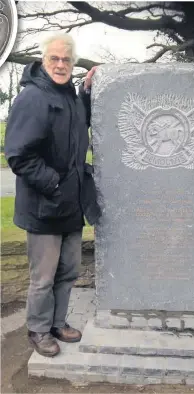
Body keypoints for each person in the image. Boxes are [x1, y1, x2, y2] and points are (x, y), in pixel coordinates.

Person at [4, 33, 99, 357]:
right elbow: (18, 155)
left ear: (73, 64)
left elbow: (78, 123)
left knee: (68, 270)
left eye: (67, 60)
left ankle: (58, 322)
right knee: (43, 277)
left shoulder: (69, 95)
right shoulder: (33, 98)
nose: (61, 65)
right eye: (54, 59)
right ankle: (38, 330)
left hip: (70, 205)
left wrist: (86, 91)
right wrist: (54, 184)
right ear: (44, 61)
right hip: (44, 205)